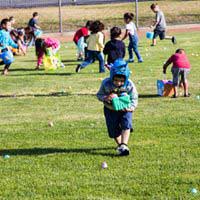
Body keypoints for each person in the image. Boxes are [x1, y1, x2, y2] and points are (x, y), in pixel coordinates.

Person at [97, 59, 138, 156]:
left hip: (125, 109)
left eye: (121, 81)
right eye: (116, 80)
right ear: (112, 77)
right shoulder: (106, 83)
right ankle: (120, 145)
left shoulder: (129, 84)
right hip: (110, 110)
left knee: (126, 125)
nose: (118, 83)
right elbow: (99, 95)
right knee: (113, 130)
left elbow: (134, 97)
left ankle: (124, 144)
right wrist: (106, 98)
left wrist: (131, 107)